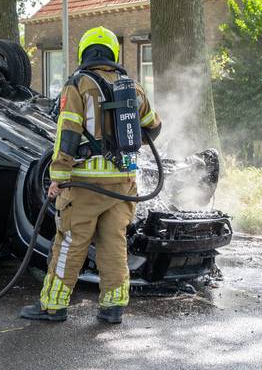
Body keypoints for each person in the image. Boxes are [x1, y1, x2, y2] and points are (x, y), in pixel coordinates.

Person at [20, 27, 161, 325]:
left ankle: (53, 306)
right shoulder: (132, 87)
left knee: (70, 243)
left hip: (84, 184)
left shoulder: (78, 85)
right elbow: (154, 126)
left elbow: (68, 133)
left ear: (85, 52)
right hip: (123, 183)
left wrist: (58, 176)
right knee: (113, 243)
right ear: (114, 53)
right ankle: (113, 307)